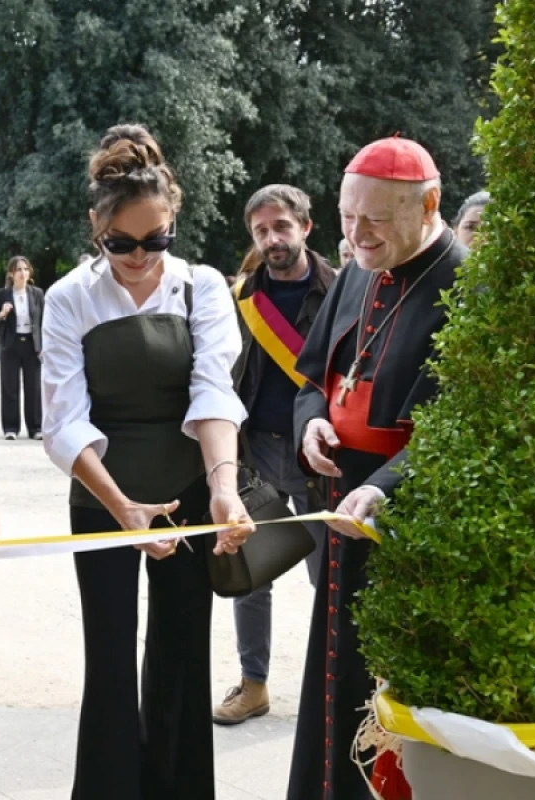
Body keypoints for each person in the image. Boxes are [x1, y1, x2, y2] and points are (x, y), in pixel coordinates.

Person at [41, 123, 254, 800]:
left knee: (183, 654)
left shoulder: (203, 288)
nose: (140, 257)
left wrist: (223, 487)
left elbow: (213, 390)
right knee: (109, 661)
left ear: (174, 221)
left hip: (190, 492)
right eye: (121, 243)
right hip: (103, 498)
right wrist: (122, 508)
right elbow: (64, 422)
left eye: (155, 240)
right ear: (95, 228)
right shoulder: (69, 297)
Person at [287, 137, 467, 800]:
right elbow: (311, 377)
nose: (358, 236)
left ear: (429, 205)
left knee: (388, 687)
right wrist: (312, 420)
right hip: (341, 504)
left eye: (376, 220)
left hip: (405, 522)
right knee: (334, 675)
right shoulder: (361, 267)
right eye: (347, 218)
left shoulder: (466, 283)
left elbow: (460, 426)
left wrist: (383, 485)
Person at [213, 184, 336, 726]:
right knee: (252, 575)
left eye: (282, 227)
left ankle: (335, 687)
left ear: (306, 227)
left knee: (328, 579)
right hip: (256, 452)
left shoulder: (342, 288)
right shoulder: (240, 297)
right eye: (262, 231)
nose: (272, 240)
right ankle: (254, 683)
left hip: (319, 456)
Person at [0, 256, 44, 440]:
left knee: (34, 388)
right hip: (10, 345)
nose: (23, 273)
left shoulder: (37, 294)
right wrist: (2, 313)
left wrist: (43, 346)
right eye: (19, 270)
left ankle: (36, 428)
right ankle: (11, 428)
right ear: (11, 274)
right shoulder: (2, 295)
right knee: (10, 388)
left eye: (25, 269)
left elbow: (44, 321)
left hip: (32, 345)